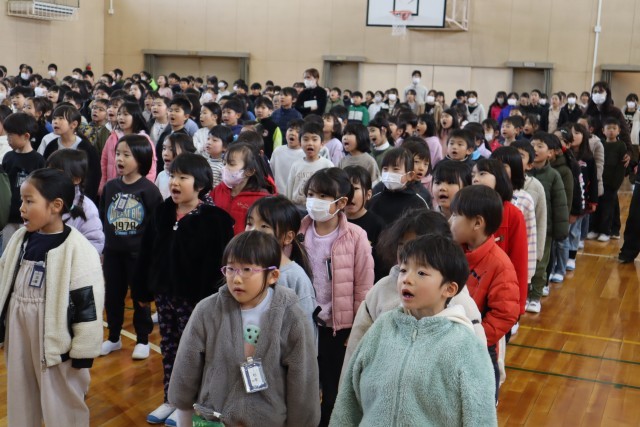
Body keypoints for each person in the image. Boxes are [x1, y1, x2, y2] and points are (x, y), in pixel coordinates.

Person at [331, 234, 497, 426]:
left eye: (421, 273)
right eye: (403, 270)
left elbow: (481, 416)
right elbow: (348, 399)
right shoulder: (383, 327)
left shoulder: (465, 345)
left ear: (449, 289)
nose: (406, 279)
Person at [167, 231, 320, 426]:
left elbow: (303, 379)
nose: (236, 279)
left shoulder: (291, 317)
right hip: (214, 419)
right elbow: (186, 367)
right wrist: (183, 415)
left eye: (247, 269)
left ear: (272, 275)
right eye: (230, 269)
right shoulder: (207, 310)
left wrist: (302, 422)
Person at [133, 153, 234, 425]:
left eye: (183, 177)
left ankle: (190, 405)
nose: (175, 182)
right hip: (165, 295)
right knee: (169, 348)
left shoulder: (215, 220)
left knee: (195, 353)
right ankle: (172, 399)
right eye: (173, 176)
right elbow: (147, 251)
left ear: (199, 184)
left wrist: (214, 302)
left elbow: (219, 267)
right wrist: (142, 289)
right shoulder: (163, 211)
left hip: (196, 301)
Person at [0, 168, 104, 426]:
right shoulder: (19, 239)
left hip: (56, 342)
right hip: (19, 331)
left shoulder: (78, 249)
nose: (21, 208)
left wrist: (83, 350)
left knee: (62, 402)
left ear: (56, 205)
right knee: (21, 393)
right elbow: (4, 279)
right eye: (22, 200)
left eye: (29, 201)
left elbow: (88, 305)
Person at [343, 208, 486, 376]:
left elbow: (478, 365)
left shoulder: (457, 299)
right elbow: (355, 351)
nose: (407, 254)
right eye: (402, 246)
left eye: (417, 246)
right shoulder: (381, 290)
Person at [299, 167, 374, 426]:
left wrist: (356, 329)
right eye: (311, 194)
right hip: (304, 322)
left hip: (337, 327)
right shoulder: (299, 231)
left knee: (332, 388)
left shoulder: (356, 236)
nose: (314, 201)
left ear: (341, 203)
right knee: (304, 383)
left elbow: (363, 286)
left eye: (323, 196)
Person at [449, 185, 520, 401]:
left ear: (477, 223)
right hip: (451, 341)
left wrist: (476, 337)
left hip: (480, 347)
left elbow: (505, 314)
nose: (450, 221)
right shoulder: (452, 252)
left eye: (455, 215)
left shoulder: (499, 264)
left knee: (481, 401)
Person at [99, 134, 163, 359]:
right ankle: (113, 337)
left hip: (138, 256)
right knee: (113, 297)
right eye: (118, 153)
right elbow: (104, 217)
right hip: (113, 253)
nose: (120, 159)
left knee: (140, 298)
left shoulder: (149, 190)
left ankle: (143, 339)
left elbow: (156, 226)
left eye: (127, 155)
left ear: (142, 158)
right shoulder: (110, 187)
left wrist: (152, 256)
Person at [245, 195, 317, 332]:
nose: (253, 231)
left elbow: (306, 331)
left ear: (288, 237)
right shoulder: (242, 269)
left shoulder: (295, 278)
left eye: (264, 226)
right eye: (250, 223)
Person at [472, 159, 529, 315]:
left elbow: (519, 262)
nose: (475, 179)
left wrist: (518, 306)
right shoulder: (468, 211)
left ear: (499, 178)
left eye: (482, 173)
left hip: (500, 293)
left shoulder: (513, 214)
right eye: (473, 175)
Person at [525, 132, 569, 313]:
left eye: (540, 146)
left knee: (540, 264)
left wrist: (560, 230)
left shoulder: (553, 176)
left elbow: (560, 205)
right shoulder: (523, 174)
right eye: (532, 145)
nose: (535, 149)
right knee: (523, 263)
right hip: (524, 228)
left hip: (544, 229)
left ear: (550, 153)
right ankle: (524, 294)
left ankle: (535, 296)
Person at [1, 112, 46, 252]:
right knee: (8, 251)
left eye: (10, 135)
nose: (8, 139)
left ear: (26, 136)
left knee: (27, 250)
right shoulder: (8, 157)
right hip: (9, 216)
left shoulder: (38, 160)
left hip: (29, 216)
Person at [46, 149, 104, 254]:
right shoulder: (43, 199)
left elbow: (95, 243)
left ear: (76, 179)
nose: (50, 177)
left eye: (57, 173)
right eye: (49, 171)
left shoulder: (87, 208)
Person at [43, 105, 102, 202]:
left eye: (61, 118)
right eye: (54, 118)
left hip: (79, 198)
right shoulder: (51, 146)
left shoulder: (87, 148)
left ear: (74, 124)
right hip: (54, 196)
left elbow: (93, 178)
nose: (55, 122)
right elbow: (45, 171)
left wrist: (84, 199)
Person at [211, 142, 272, 235]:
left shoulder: (261, 200)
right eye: (224, 163)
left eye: (231, 164)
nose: (224, 168)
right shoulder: (218, 190)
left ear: (249, 171)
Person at [99, 101, 156, 195]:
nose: (121, 117)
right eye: (119, 114)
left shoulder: (143, 140)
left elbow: (151, 168)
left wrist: (146, 188)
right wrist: (103, 185)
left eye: (125, 114)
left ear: (135, 116)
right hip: (113, 187)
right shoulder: (112, 137)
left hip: (136, 189)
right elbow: (104, 162)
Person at [588, 118, 627, 242]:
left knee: (608, 209)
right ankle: (594, 229)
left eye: (614, 128)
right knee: (596, 206)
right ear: (603, 131)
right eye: (608, 128)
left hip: (611, 184)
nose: (611, 131)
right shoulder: (601, 144)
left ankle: (605, 231)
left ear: (619, 131)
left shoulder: (621, 146)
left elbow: (621, 167)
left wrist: (615, 184)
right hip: (599, 182)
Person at [368, 147, 430, 224]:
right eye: (385, 169)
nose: (389, 173)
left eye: (395, 169)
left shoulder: (418, 202)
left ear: (410, 175)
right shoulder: (375, 200)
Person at [286, 121, 334, 210]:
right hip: (298, 209)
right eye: (306, 139)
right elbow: (289, 189)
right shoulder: (296, 165)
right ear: (300, 143)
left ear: (322, 143)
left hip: (319, 209)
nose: (310, 143)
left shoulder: (327, 165)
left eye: (314, 139)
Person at [156, 133, 196, 199]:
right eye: (164, 148)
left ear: (186, 152)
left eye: (171, 149)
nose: (165, 153)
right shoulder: (161, 175)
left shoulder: (190, 177)